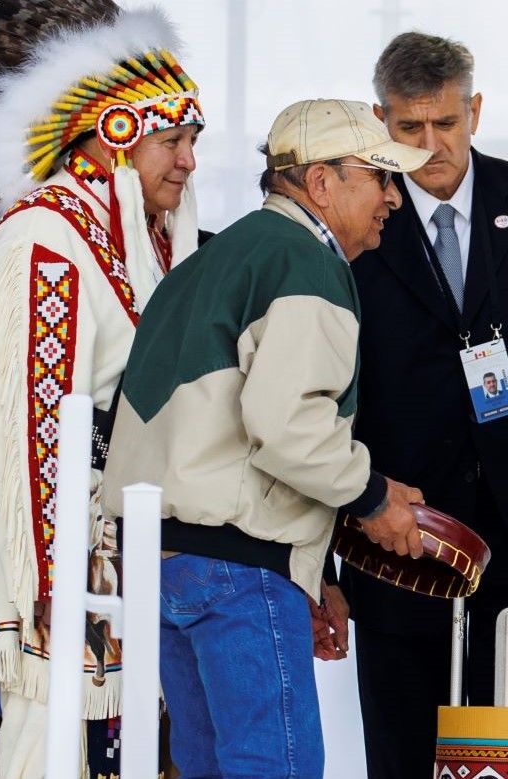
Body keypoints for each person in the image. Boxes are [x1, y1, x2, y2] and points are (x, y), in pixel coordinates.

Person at [0, 6, 207, 775]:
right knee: (51, 747)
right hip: (57, 556)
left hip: (127, 544)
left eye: (192, 141)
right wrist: (51, 577)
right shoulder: (45, 241)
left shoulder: (142, 240)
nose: (188, 161)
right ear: (113, 138)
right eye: (171, 141)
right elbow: (27, 424)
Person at [100, 98, 431, 777]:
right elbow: (288, 427)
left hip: (162, 560)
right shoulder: (302, 263)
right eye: (380, 176)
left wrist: (310, 573)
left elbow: (225, 425)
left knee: (208, 768)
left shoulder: (210, 260)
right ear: (320, 183)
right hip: (237, 568)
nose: (394, 199)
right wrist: (373, 497)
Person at [343, 33, 508, 773]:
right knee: (401, 752)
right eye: (408, 128)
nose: (431, 144)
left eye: (447, 123)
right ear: (379, 121)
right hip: (398, 538)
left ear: (476, 111)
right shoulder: (355, 218)